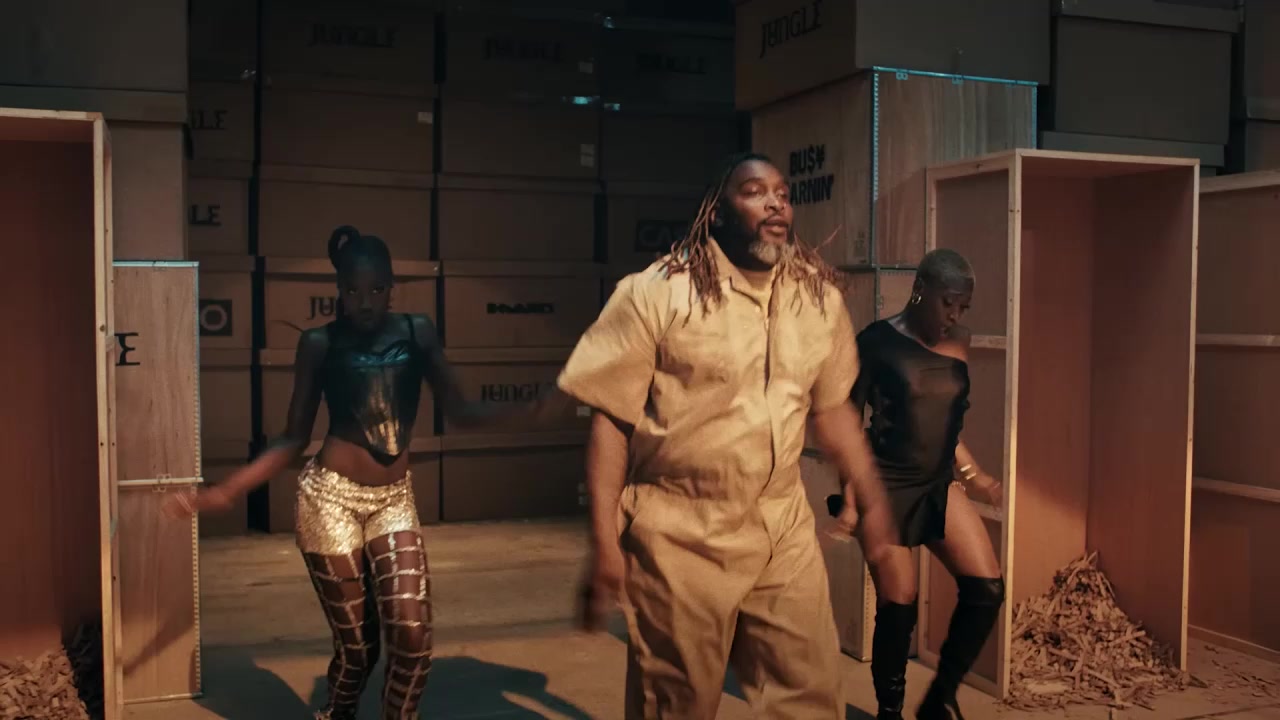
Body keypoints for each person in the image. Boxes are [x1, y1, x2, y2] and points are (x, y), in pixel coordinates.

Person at [558, 151, 898, 719]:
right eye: (755, 192)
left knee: (811, 698)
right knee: (677, 704)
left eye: (783, 194)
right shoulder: (657, 294)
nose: (775, 204)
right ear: (716, 212)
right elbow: (611, 421)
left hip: (782, 527)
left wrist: (870, 490)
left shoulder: (816, 300)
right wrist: (604, 543)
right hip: (681, 534)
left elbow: (832, 406)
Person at [164, 226, 544, 720]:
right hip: (330, 500)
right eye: (353, 290)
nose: (365, 302)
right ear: (339, 290)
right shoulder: (319, 343)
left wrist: (526, 410)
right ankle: (337, 713)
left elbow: (460, 410)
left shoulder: (418, 331)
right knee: (359, 650)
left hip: (393, 499)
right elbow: (293, 437)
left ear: (392, 287)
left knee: (412, 637)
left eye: (376, 289)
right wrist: (228, 491)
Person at [827, 249, 1005, 720]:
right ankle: (890, 711)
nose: (955, 315)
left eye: (964, 306)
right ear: (920, 289)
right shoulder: (875, 341)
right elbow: (848, 424)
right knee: (899, 604)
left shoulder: (958, 342)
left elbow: (945, 423)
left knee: (987, 589)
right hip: (882, 485)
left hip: (937, 482)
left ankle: (939, 700)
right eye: (949, 302)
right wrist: (851, 500)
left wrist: (975, 475)